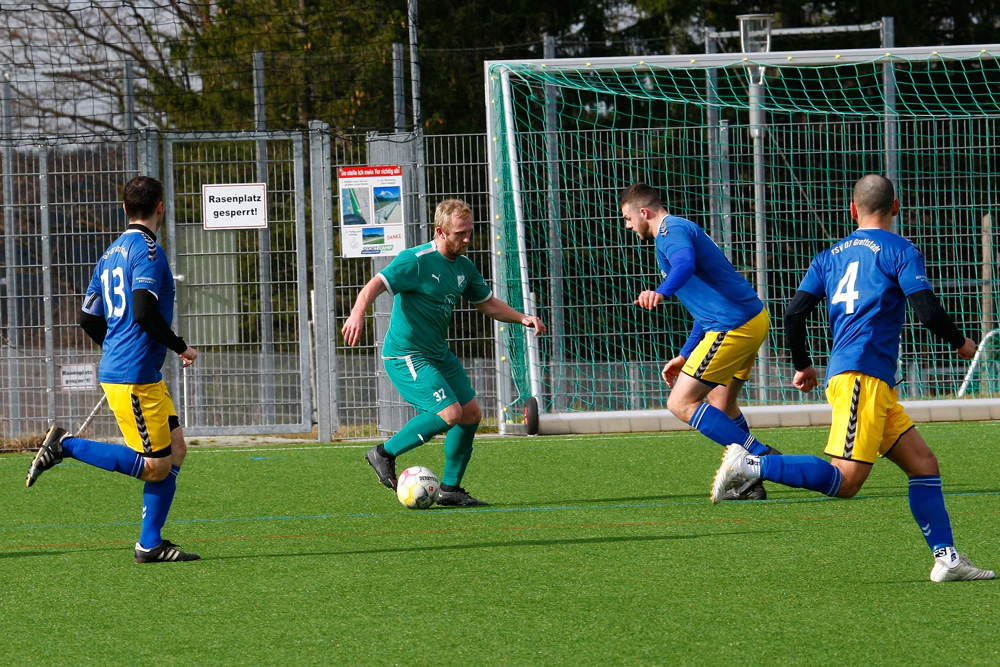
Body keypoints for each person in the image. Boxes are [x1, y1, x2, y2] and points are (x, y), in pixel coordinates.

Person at [711, 174, 993, 582]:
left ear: (852, 210)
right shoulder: (900, 249)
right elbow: (928, 311)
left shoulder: (829, 256)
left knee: (923, 464)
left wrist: (803, 365)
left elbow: (793, 314)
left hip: (860, 378)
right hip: (863, 377)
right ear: (896, 208)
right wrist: (962, 343)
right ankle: (752, 464)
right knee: (846, 482)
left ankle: (947, 559)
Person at [27, 175, 200, 563]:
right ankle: (65, 446)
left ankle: (150, 544)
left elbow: (88, 317)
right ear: (160, 207)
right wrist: (180, 347)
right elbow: (142, 309)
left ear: (124, 209)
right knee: (156, 467)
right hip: (134, 375)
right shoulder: (149, 251)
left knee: (175, 450)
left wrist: (116, 344)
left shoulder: (110, 253)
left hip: (137, 372)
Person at [342, 198, 546, 506]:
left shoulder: (464, 267)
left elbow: (488, 304)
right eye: (459, 233)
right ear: (440, 231)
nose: (466, 239)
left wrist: (522, 318)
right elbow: (375, 285)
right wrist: (358, 312)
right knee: (449, 414)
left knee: (471, 414)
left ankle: (450, 489)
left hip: (438, 354)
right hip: (406, 355)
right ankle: (383, 453)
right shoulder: (417, 260)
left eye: (469, 232)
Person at [620, 183, 781, 501]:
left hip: (734, 325)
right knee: (722, 404)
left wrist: (660, 291)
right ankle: (750, 483)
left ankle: (761, 458)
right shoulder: (679, 230)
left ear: (643, 212)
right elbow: (704, 308)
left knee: (680, 403)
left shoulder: (671, 230)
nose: (627, 226)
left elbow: (684, 265)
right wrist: (684, 355)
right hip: (749, 320)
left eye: (627, 218)